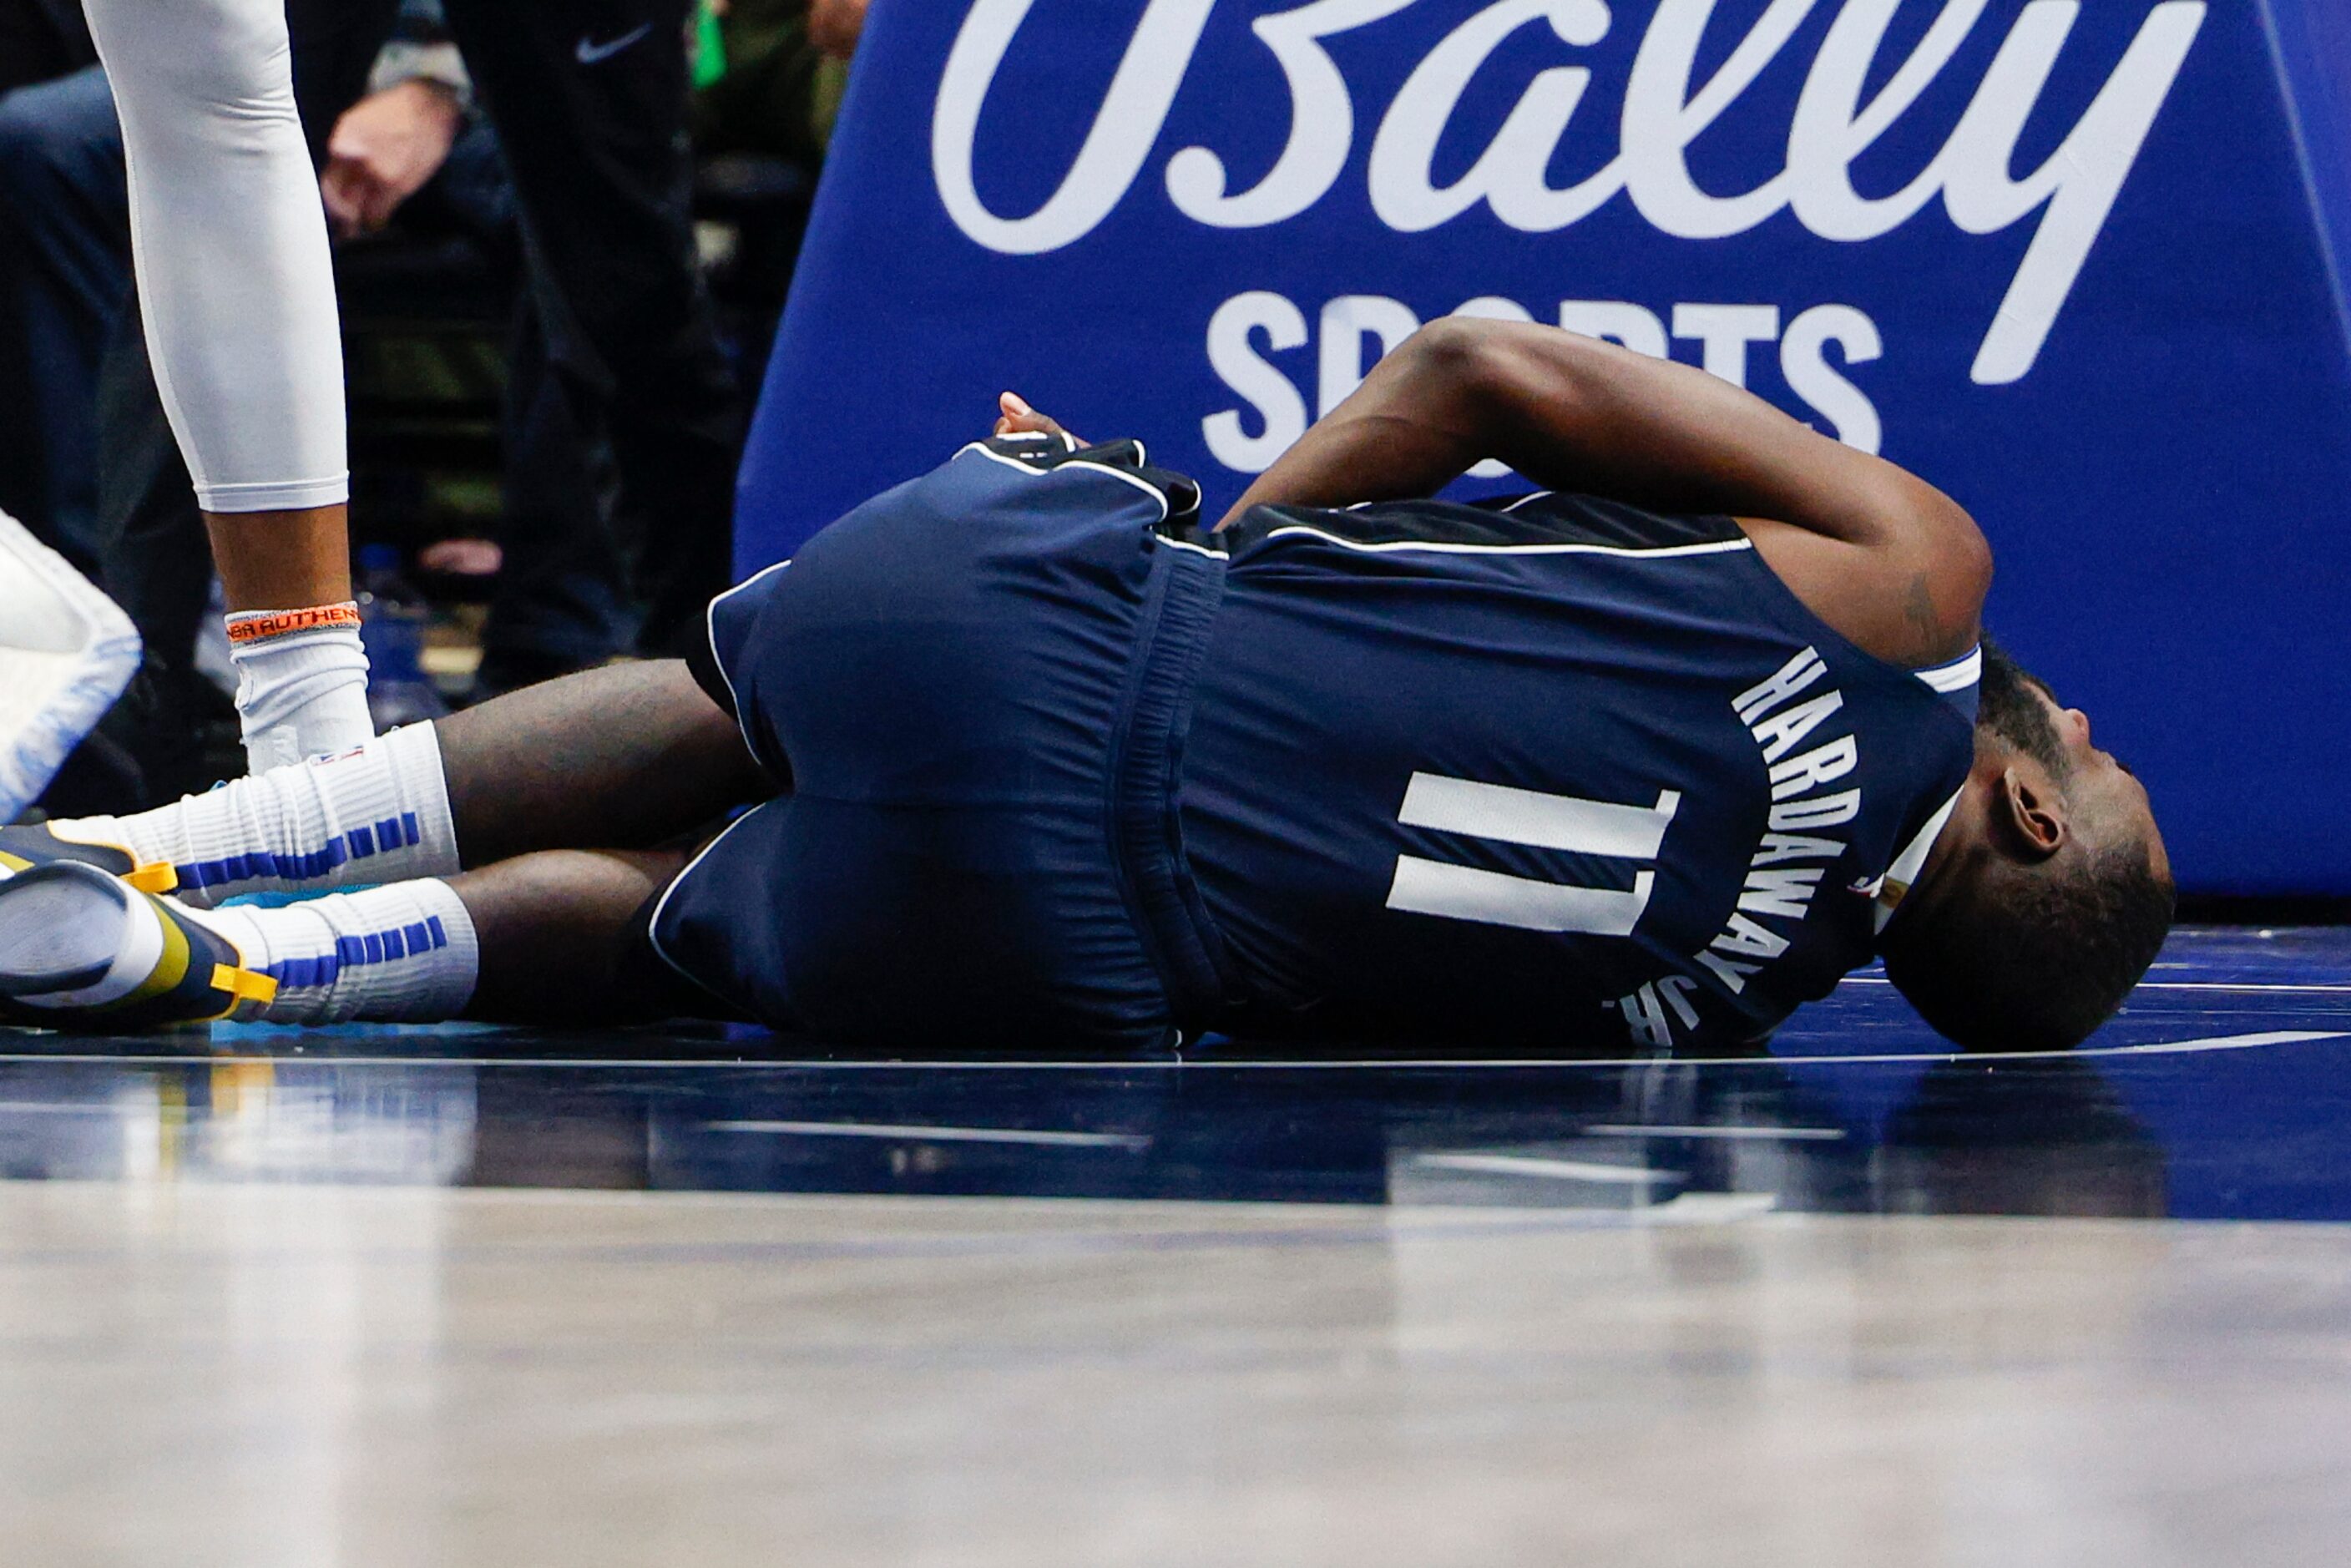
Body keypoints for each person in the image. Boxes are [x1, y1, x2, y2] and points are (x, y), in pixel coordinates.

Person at [0, 319, 2174, 1053]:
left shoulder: (1919, 589)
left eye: (2096, 762)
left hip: (1091, 643)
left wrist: (1173, 541)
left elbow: (1477, 372)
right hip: (1077, 957)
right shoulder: (1722, 1009)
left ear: (2038, 815)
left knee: (712, 702)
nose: (2087, 725)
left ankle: (148, 848)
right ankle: (251, 971)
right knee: (672, 914)